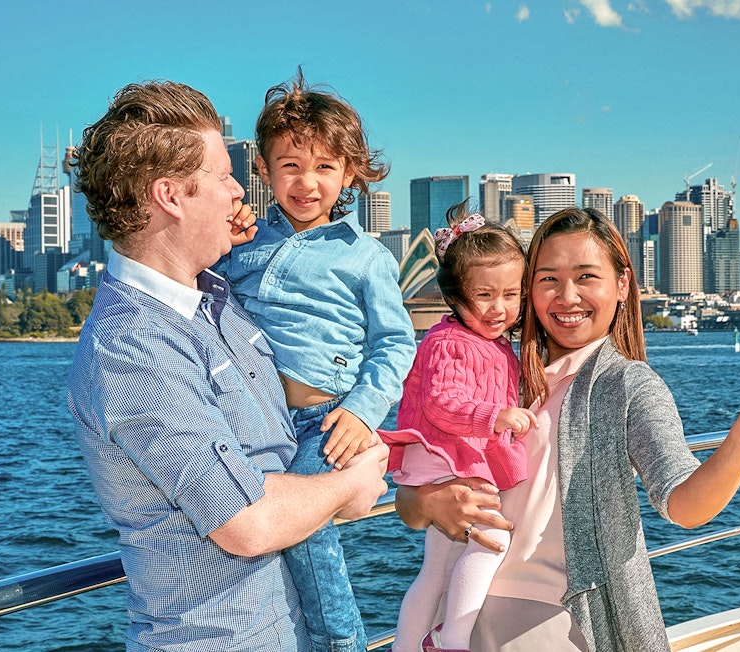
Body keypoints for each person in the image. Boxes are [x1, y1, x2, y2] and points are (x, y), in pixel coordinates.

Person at [395, 207, 740, 652]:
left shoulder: (627, 385)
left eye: (586, 277)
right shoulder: (498, 369)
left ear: (622, 285)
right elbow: (414, 504)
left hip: (553, 622)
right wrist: (423, 498)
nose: (567, 296)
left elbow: (683, 503)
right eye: (548, 279)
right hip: (452, 618)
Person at [66, 80, 389, 652]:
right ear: (170, 194)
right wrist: (350, 484)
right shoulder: (132, 348)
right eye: (222, 176)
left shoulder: (218, 297)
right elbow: (247, 522)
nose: (240, 188)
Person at [212, 69, 416, 652]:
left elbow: (395, 343)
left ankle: (339, 643)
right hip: (252, 418)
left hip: (325, 421)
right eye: (290, 166)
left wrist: (362, 411)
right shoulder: (243, 243)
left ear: (350, 173)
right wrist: (218, 237)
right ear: (264, 171)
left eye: (325, 167)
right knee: (240, 529)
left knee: (304, 529)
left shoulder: (366, 256)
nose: (306, 182)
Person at [379, 200, 536, 652]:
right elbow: (443, 403)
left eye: (510, 295)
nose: (499, 308)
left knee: (437, 569)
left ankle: (406, 646)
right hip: (451, 459)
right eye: (484, 296)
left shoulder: (493, 344)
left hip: (446, 460)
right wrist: (495, 418)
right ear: (455, 296)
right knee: (491, 542)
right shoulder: (450, 343)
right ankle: (453, 639)